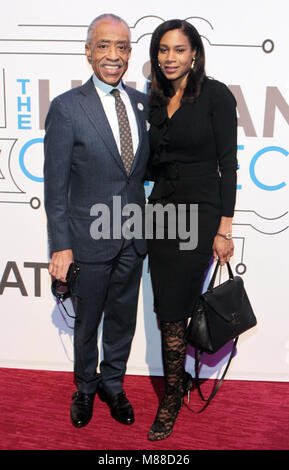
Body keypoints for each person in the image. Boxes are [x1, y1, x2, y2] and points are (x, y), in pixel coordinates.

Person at [44, 14, 149, 428]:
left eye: (122, 47)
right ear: (88, 51)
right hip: (87, 238)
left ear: (129, 54)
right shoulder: (67, 108)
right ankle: (85, 387)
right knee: (88, 320)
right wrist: (60, 245)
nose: (113, 55)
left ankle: (113, 384)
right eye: (104, 45)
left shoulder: (142, 104)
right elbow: (55, 186)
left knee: (123, 317)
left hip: (134, 237)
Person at [146, 19, 237, 441]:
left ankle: (170, 397)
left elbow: (228, 165)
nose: (170, 58)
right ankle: (176, 381)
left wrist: (225, 227)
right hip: (160, 210)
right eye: (163, 50)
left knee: (175, 309)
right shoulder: (155, 96)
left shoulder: (216, 95)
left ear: (194, 53)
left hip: (200, 211)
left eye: (178, 50)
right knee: (167, 305)